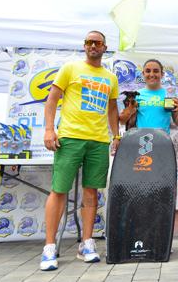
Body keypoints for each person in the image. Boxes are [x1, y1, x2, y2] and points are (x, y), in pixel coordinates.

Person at [41, 31, 120, 271]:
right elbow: (52, 100)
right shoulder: (70, 68)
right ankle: (49, 247)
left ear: (104, 47)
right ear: (84, 46)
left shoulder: (110, 77)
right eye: (89, 42)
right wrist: (48, 130)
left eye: (97, 42)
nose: (93, 45)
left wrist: (116, 135)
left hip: (98, 140)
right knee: (59, 190)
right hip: (70, 137)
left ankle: (86, 243)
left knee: (91, 192)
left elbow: (113, 109)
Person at [119, 59, 178, 133]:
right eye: (148, 71)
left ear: (162, 74)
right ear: (143, 74)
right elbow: (122, 122)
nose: (151, 74)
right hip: (141, 141)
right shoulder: (136, 95)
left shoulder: (169, 96)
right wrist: (129, 110)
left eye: (156, 71)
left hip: (163, 141)